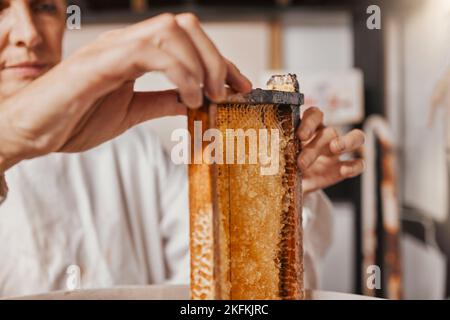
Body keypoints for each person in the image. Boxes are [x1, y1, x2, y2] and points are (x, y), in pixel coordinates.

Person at [0, 0, 365, 297]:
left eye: (44, 7)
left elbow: (217, 288)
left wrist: (272, 197)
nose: (29, 35)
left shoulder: (130, 148)